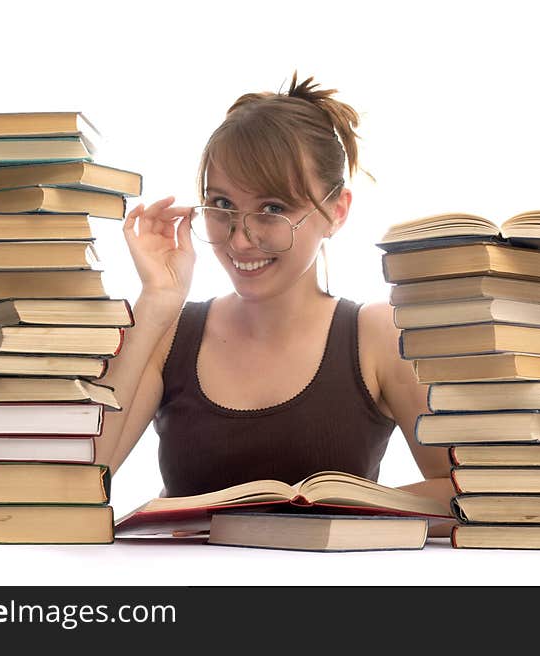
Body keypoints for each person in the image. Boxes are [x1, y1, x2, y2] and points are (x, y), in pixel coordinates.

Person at [93, 72, 453, 500]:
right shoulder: (169, 332)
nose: (241, 239)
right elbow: (68, 486)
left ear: (337, 211)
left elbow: (463, 491)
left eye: (273, 208)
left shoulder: (376, 335)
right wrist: (155, 300)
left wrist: (336, 504)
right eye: (222, 204)